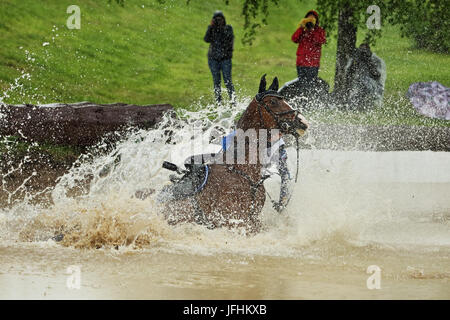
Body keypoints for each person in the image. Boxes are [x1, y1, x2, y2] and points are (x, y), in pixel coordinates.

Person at [183, 130, 292, 213]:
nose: (275, 136)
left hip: (255, 181)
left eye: (278, 133)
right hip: (226, 162)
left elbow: (285, 176)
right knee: (191, 161)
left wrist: (282, 203)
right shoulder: (246, 134)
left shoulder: (279, 148)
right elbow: (225, 153)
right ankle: (188, 192)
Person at [204, 11, 236, 105]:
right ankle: (219, 103)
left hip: (225, 59)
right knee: (216, 81)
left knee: (228, 81)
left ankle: (233, 101)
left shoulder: (228, 28)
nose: (218, 21)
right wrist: (211, 27)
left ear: (223, 19)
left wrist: (221, 28)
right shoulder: (211, 29)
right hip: (213, 59)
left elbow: (229, 38)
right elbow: (206, 39)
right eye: (216, 19)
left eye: (220, 19)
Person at [344, 43, 386, 110]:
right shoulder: (356, 59)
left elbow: (377, 76)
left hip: (373, 87)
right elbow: (348, 75)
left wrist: (368, 61)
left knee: (365, 84)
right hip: (358, 87)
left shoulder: (376, 60)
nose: (363, 54)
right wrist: (355, 61)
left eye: (365, 51)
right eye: (361, 51)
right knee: (357, 88)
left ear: (369, 51)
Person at [291, 10, 326, 84]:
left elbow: (321, 40)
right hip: (301, 62)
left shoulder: (319, 30)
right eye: (308, 18)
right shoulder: (302, 30)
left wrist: (312, 30)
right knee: (301, 83)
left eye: (312, 19)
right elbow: (294, 39)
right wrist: (301, 28)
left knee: (311, 84)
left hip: (313, 63)